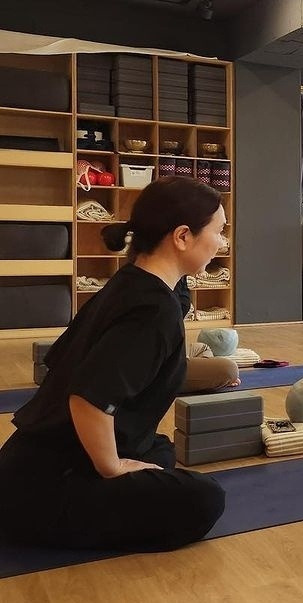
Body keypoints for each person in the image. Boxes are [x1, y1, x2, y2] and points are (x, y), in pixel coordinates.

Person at [0, 177, 228, 551]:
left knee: (158, 449)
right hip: (44, 491)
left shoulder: (135, 282)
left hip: (26, 469)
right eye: (218, 231)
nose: (221, 242)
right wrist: (113, 467)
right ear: (182, 236)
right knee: (205, 498)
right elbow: (88, 398)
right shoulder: (152, 310)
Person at [175, 278, 241, 394]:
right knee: (230, 369)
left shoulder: (179, 280)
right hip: (157, 366)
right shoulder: (159, 289)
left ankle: (202, 377)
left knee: (202, 347)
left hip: (174, 351)